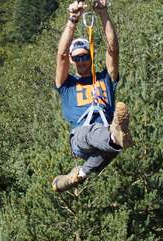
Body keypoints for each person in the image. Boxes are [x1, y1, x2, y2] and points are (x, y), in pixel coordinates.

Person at [52, 0, 132, 193]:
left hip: (103, 136)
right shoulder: (67, 85)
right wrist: (73, 20)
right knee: (101, 133)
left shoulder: (105, 79)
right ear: (72, 60)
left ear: (91, 56)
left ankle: (78, 175)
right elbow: (61, 54)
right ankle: (115, 135)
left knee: (113, 147)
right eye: (77, 57)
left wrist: (103, 13)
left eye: (85, 56)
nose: (81, 61)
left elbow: (113, 49)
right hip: (80, 136)